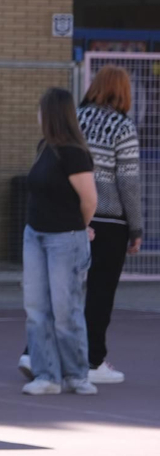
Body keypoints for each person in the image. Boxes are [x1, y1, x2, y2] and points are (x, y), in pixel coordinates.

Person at [20, 87, 99, 396]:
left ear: (52, 114)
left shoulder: (74, 153)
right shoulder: (44, 147)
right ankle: (46, 375)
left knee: (65, 310)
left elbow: (89, 200)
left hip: (64, 239)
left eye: (41, 110)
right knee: (36, 308)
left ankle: (76, 374)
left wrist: (80, 227)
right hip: (35, 235)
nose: (37, 115)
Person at [74, 67, 144, 382]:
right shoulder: (122, 126)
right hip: (109, 220)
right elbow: (128, 183)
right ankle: (92, 361)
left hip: (72, 217)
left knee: (63, 290)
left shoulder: (75, 119)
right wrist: (136, 227)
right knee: (100, 293)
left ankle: (37, 352)